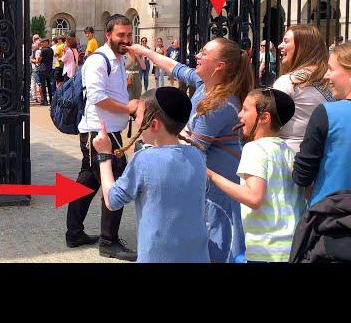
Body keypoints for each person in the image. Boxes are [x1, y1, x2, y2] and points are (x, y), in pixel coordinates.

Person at [129, 37, 254, 262]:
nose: (198, 55)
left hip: (220, 187)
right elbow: (174, 67)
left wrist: (157, 135)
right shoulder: (204, 83)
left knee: (219, 246)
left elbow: (193, 148)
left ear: (219, 66)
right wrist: (145, 52)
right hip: (208, 181)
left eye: (204, 53)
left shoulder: (220, 104)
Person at [94, 87, 210, 263]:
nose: (135, 120)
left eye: (137, 116)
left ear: (154, 124)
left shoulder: (144, 159)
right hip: (197, 255)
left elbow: (112, 201)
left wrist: (104, 155)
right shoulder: (197, 156)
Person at [65, 14, 139, 261]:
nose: (126, 40)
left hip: (104, 131)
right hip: (100, 133)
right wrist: (128, 108)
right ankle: (109, 241)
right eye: (121, 35)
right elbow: (97, 98)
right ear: (108, 35)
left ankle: (74, 233)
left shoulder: (118, 59)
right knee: (115, 184)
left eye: (129, 35)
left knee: (86, 183)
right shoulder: (99, 60)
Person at [206, 88, 305, 262]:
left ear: (264, 118)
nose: (239, 115)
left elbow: (254, 197)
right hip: (293, 248)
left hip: (267, 251)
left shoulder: (255, 149)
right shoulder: (288, 151)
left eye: (245, 109)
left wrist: (211, 175)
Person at [292, 43, 351, 207]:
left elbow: (302, 176)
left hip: (331, 214)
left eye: (331, 69)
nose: (326, 76)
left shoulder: (327, 113)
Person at [273, 25, 335, 154]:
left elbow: (269, 124)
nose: (279, 46)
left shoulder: (287, 82)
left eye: (286, 41)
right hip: (326, 153)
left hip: (290, 155)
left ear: (302, 47)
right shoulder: (333, 81)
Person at [32, 38, 54, 105]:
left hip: (42, 69)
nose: (42, 43)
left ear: (47, 43)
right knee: (49, 84)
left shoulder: (43, 50)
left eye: (43, 42)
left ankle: (45, 100)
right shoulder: (51, 50)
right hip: (49, 68)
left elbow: (38, 60)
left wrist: (33, 61)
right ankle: (51, 99)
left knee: (43, 85)